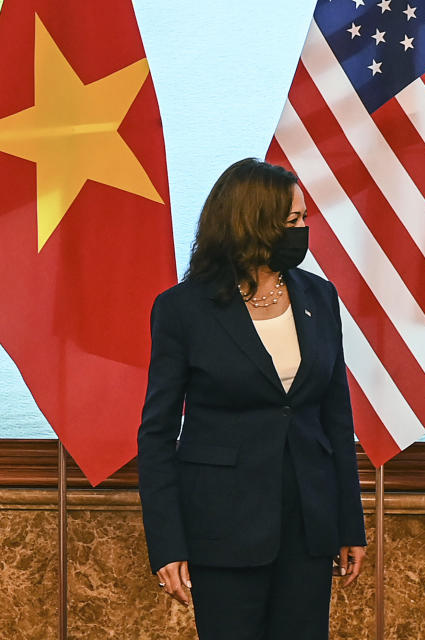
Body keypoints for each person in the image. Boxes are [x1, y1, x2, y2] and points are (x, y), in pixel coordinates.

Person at [137, 158, 366, 640]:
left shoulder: (320, 297)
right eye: (293, 221)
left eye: (304, 219)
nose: (304, 230)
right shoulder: (182, 309)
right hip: (222, 528)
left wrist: (350, 525)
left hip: (307, 526)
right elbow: (157, 434)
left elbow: (336, 420)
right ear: (253, 223)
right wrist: (167, 543)